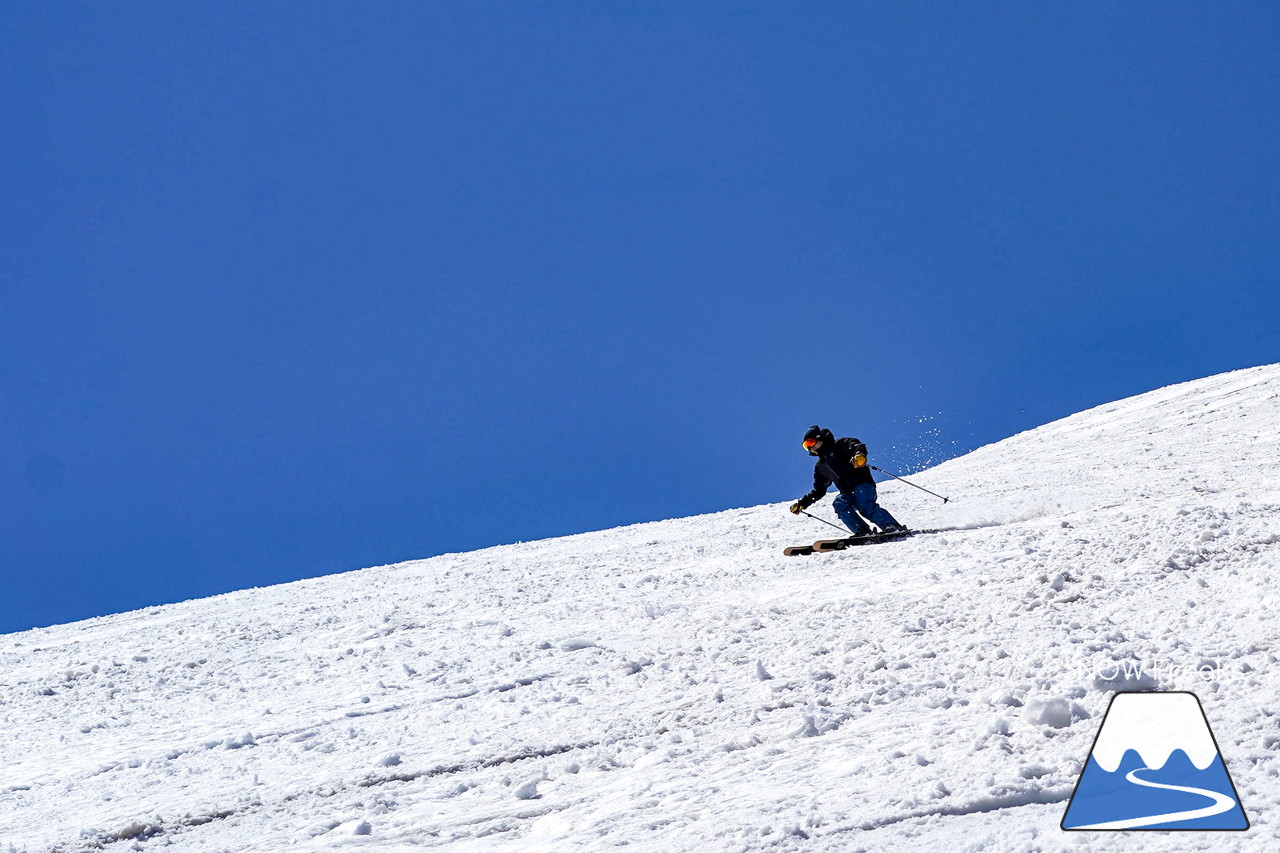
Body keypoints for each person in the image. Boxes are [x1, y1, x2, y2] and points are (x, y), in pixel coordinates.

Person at [789, 425, 905, 536]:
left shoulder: (840, 445)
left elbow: (857, 445)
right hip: (847, 492)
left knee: (865, 507)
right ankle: (862, 530)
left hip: (862, 484)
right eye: (806, 446)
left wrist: (859, 455)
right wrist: (802, 504)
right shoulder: (821, 466)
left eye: (810, 442)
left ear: (819, 438)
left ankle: (892, 526)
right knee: (839, 503)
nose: (810, 448)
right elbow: (819, 490)